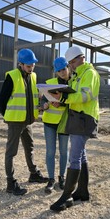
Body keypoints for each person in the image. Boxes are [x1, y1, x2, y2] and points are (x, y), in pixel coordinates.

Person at [49, 46, 100, 211]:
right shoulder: (78, 75)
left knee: (74, 157)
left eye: (72, 62)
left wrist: (64, 97)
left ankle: (66, 196)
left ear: (81, 58)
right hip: (77, 117)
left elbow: (85, 96)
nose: (71, 66)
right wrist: (60, 99)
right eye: (69, 63)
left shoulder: (89, 74)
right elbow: (71, 95)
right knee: (81, 155)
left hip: (85, 118)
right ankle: (82, 191)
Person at [0, 48, 48, 196]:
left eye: (33, 65)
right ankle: (10, 183)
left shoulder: (33, 76)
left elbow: (32, 98)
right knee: (11, 152)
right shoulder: (12, 77)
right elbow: (2, 101)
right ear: (20, 64)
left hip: (28, 120)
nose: (31, 67)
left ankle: (33, 174)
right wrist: (8, 117)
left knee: (30, 147)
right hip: (15, 121)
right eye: (28, 65)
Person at [40, 57, 71, 194]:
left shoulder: (74, 83)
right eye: (59, 71)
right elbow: (42, 102)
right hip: (49, 122)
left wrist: (62, 103)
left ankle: (62, 178)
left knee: (64, 151)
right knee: (50, 152)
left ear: (68, 67)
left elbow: (76, 101)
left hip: (65, 122)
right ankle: (51, 179)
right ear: (56, 72)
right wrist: (45, 106)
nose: (62, 73)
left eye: (63, 69)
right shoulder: (50, 83)